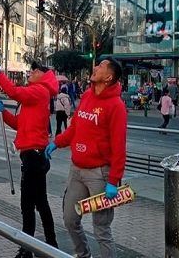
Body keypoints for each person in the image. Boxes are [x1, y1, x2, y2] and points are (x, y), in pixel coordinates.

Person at [45, 57, 127, 258]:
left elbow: (119, 147)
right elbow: (75, 128)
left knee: (101, 229)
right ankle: (83, 254)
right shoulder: (88, 96)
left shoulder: (116, 106)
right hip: (77, 170)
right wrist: (57, 142)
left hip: (100, 174)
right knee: (70, 219)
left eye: (100, 66)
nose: (95, 68)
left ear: (108, 77)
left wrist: (113, 181)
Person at [0, 60, 58, 258]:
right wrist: (3, 112)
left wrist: (0, 74)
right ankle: (47, 244)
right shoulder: (36, 95)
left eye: (35, 70)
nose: (31, 72)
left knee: (29, 204)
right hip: (32, 155)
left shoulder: (40, 91)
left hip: (34, 156)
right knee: (38, 202)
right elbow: (20, 124)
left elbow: (14, 92)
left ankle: (28, 248)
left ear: (43, 75)